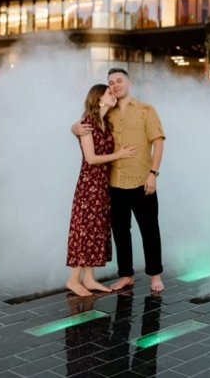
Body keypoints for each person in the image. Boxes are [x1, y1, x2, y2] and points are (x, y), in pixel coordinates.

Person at [74, 68, 166, 292]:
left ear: (129, 82)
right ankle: (126, 275)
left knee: (149, 230)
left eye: (119, 81)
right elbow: (85, 126)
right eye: (111, 82)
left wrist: (153, 174)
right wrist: (74, 128)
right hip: (114, 183)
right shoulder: (108, 111)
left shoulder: (146, 110)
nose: (115, 85)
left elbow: (159, 142)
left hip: (141, 180)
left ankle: (155, 275)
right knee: (120, 231)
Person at [66, 84, 137, 297]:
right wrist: (119, 155)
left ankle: (88, 279)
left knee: (97, 231)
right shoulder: (87, 123)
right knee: (85, 230)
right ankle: (73, 279)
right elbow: (91, 159)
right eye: (108, 92)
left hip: (102, 186)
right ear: (98, 99)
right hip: (89, 185)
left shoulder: (106, 122)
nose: (112, 94)